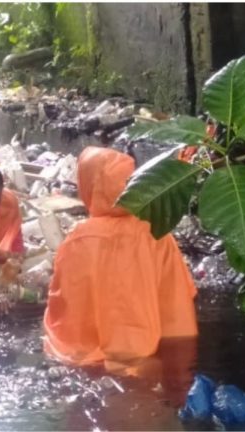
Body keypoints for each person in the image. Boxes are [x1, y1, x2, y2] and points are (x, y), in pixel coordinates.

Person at [43, 146, 198, 367]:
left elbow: (63, 309)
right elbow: (177, 301)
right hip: (150, 357)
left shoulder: (79, 238)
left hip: (88, 364)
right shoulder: (157, 233)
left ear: (88, 185)